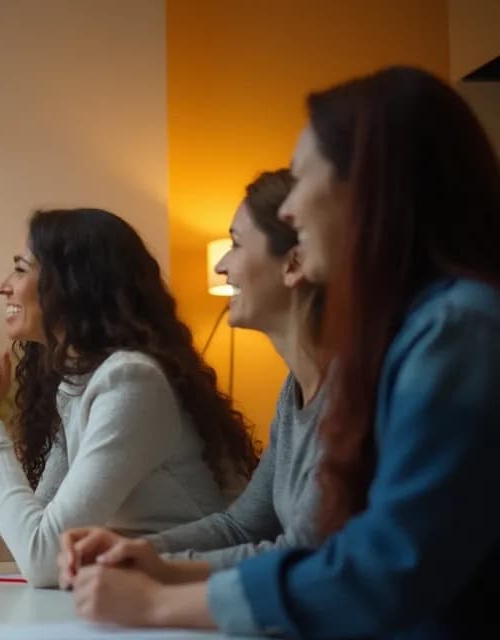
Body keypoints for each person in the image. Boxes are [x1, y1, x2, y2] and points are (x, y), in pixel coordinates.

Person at [67, 66, 500, 638]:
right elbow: (271, 532)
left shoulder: (455, 329)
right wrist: (160, 565)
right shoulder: (421, 333)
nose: (292, 211)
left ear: (368, 187)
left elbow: (382, 569)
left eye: (301, 179)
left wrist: (155, 602)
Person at [0, 207, 259, 587]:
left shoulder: (131, 382)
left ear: (72, 286)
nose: (3, 285)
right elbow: (40, 534)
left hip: (194, 600)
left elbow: (43, 560)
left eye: (21, 269)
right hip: (139, 595)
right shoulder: (79, 383)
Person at [56, 170, 327, 583]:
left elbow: (305, 555)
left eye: (235, 244)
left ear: (293, 263)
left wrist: (163, 572)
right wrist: (136, 551)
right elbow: (243, 526)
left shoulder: (350, 394)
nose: (221, 265)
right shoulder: (294, 390)